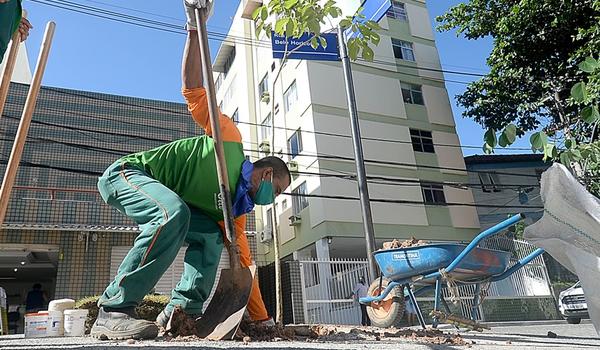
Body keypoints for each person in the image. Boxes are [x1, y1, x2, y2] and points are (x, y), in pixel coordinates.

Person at [90, 1, 290, 340]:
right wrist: (195, 30)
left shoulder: (234, 211)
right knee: (174, 214)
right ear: (265, 174)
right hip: (128, 175)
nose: (274, 197)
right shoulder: (229, 140)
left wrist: (263, 319)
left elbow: (241, 266)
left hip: (171, 203)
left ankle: (181, 314)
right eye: (278, 189)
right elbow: (195, 90)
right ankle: (114, 310)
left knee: (212, 239)